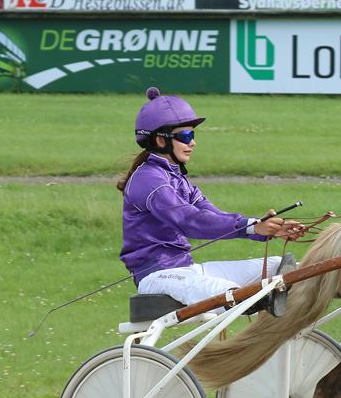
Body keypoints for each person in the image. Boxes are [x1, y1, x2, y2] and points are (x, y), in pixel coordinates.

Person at [118, 87, 305, 307]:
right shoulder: (149, 180)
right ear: (161, 140)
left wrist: (263, 226)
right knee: (225, 292)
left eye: (192, 135)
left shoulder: (178, 179)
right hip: (157, 277)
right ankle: (258, 324)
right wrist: (250, 227)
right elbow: (190, 220)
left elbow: (212, 215)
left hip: (187, 270)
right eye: (185, 136)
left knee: (278, 267)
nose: (192, 142)